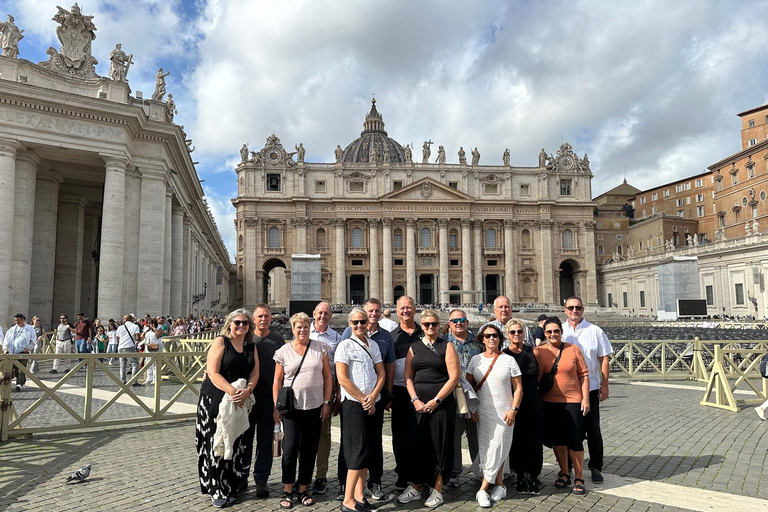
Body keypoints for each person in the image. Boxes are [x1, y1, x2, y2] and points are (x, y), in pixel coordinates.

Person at [196, 309, 259, 508]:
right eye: (238, 322)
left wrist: (247, 391)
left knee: (238, 444)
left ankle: (231, 486)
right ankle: (216, 488)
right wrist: (232, 391)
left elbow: (255, 373)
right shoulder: (220, 341)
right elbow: (212, 373)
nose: (241, 326)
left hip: (240, 401)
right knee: (218, 443)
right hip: (216, 399)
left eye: (245, 323)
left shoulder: (251, 346)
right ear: (230, 324)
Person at [399, 309, 460, 508]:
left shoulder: (447, 346)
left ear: (439, 325)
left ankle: (438, 489)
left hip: (440, 403)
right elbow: (408, 377)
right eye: (426, 325)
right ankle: (416, 486)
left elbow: (454, 377)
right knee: (418, 443)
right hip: (418, 403)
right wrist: (414, 399)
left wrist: (437, 400)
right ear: (421, 326)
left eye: (434, 324)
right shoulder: (413, 347)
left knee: (440, 444)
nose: (430, 327)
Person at [338, 298, 395, 500]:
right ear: (350, 324)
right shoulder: (344, 344)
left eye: (363, 321)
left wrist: (375, 396)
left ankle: (361, 495)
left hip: (374, 401)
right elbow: (342, 378)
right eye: (356, 322)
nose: (361, 325)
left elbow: (383, 372)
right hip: (355, 403)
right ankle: (348, 496)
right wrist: (364, 398)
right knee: (356, 450)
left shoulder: (376, 343)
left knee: (369, 447)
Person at [274, 312, 332, 509]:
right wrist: (277, 406)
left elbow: (327, 376)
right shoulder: (283, 351)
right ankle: (287, 489)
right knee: (290, 449)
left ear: (310, 328)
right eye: (299, 326)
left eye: (306, 326)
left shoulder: (320, 348)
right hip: (292, 408)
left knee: (309, 449)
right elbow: (277, 381)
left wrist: (326, 402)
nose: (302, 330)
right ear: (293, 328)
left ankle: (303, 488)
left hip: (315, 407)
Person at [465, 322, 522, 507]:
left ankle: (482, 489)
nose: (491, 338)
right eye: (487, 336)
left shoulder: (509, 360)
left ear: (500, 339)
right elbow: (468, 387)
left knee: (497, 446)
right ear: (482, 339)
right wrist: (470, 408)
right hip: (483, 411)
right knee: (488, 448)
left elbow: (519, 388)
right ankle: (500, 485)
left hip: (505, 412)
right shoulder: (476, 360)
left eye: (495, 336)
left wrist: (513, 409)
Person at [535, 316, 589, 495]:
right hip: (549, 401)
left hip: (572, 401)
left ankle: (579, 477)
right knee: (557, 440)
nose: (553, 334)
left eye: (556, 331)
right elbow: (537, 377)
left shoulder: (573, 349)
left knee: (574, 439)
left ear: (561, 332)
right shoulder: (539, 351)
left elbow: (584, 375)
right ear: (544, 333)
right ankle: (564, 473)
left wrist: (585, 398)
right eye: (549, 332)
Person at [561, 296, 613, 484]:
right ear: (565, 310)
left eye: (578, 307)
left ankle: (596, 466)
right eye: (571, 307)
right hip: (566, 389)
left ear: (583, 310)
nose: (575, 310)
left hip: (590, 387)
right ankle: (567, 467)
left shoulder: (595, 331)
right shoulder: (559, 331)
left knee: (593, 429)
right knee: (569, 428)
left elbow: (604, 358)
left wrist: (604, 384)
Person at [246, 304, 284, 498]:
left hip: (269, 398)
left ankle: (262, 480)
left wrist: (280, 404)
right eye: (260, 316)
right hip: (246, 398)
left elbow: (283, 374)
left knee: (264, 442)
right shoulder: (245, 338)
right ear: (254, 318)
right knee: (243, 440)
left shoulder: (278, 340)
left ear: (271, 319)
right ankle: (241, 477)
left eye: (267, 316)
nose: (263, 319)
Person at [503, 318, 543, 494]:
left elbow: (540, 373)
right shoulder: (503, 354)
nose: (516, 335)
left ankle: (534, 476)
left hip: (533, 401)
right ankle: (520, 476)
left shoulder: (533, 351)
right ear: (507, 334)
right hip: (513, 404)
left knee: (534, 441)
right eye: (513, 332)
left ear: (524, 332)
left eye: (520, 331)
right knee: (517, 440)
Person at [445, 308, 483, 487]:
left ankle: (479, 468)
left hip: (475, 393)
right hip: (452, 394)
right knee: (454, 434)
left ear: (467, 322)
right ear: (449, 324)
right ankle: (454, 470)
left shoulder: (478, 342)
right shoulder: (443, 342)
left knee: (476, 434)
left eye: (461, 320)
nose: (458, 323)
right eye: (454, 320)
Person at [390, 296, 423, 491]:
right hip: (400, 392)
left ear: (415, 309)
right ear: (396, 310)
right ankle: (402, 472)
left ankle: (422, 472)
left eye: (409, 307)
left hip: (423, 391)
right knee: (399, 434)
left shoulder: (425, 332)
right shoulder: (391, 336)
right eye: (402, 308)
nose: (405, 311)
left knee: (422, 433)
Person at [309, 301, 342, 495]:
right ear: (314, 313)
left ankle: (321, 475)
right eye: (320, 312)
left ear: (330, 316)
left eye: (326, 313)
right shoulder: (303, 330)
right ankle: (303, 474)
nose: (322, 316)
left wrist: (335, 396)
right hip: (304, 392)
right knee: (302, 435)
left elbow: (338, 368)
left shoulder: (336, 337)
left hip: (325, 391)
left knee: (323, 435)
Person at [2, 313, 36, 391]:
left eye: (18, 320)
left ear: (23, 320)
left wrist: (29, 348)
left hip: (23, 352)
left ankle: (19, 384)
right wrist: (5, 349)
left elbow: (33, 340)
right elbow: (6, 339)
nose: (17, 322)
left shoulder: (30, 328)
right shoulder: (12, 329)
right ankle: (22, 380)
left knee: (21, 368)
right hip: (13, 352)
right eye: (15, 320)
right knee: (14, 369)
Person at [116, 314, 141, 386]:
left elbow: (117, 338)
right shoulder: (135, 326)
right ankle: (133, 381)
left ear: (124, 319)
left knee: (122, 364)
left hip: (120, 347)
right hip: (130, 346)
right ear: (132, 319)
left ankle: (122, 381)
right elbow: (137, 338)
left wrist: (120, 344)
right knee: (135, 363)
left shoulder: (120, 327)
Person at [142, 318, 163, 385]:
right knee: (148, 362)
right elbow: (142, 337)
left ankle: (155, 379)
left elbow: (159, 335)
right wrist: (144, 332)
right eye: (148, 323)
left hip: (157, 345)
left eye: (151, 323)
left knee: (156, 363)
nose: (149, 324)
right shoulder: (147, 329)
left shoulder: (159, 327)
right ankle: (149, 378)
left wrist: (154, 328)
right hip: (148, 346)